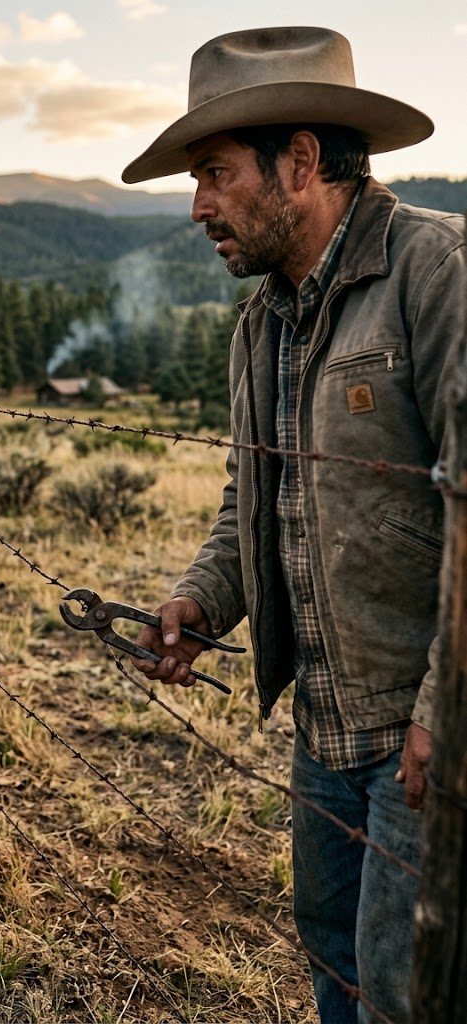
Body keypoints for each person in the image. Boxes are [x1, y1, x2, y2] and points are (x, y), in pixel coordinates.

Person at [121, 25, 466, 1024]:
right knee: (337, 967)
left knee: (403, 992)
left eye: (217, 174)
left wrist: (446, 709)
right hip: (324, 729)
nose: (199, 207)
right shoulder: (261, 323)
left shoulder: (434, 272)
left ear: (302, 160)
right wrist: (199, 601)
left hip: (421, 731)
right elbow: (251, 504)